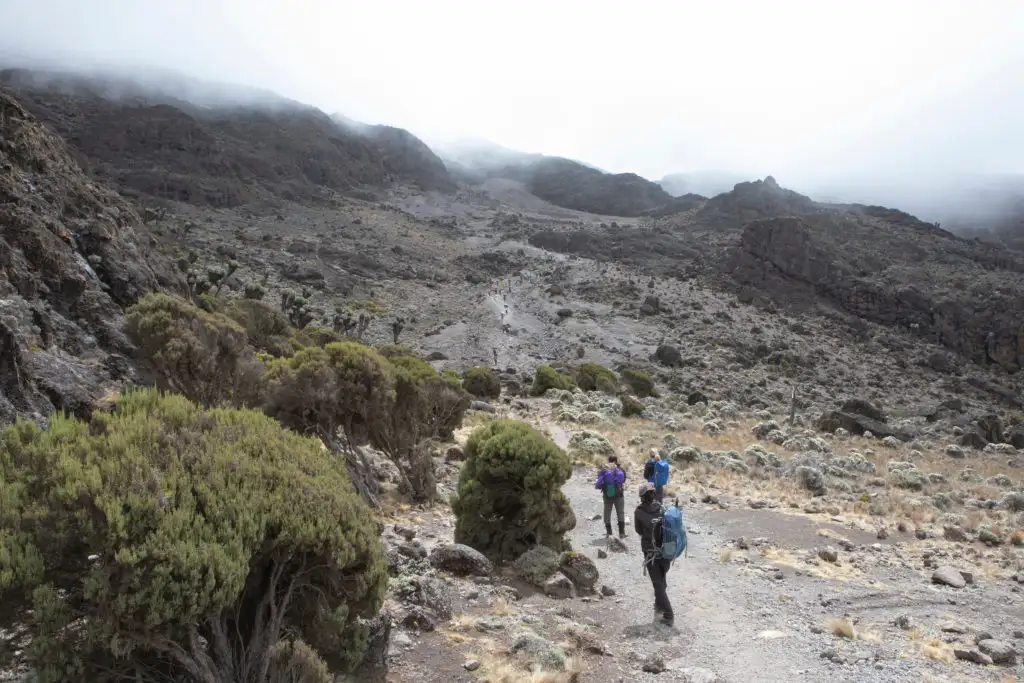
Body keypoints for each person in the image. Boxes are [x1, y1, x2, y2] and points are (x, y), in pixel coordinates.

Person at [634, 482, 673, 624]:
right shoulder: (662, 508)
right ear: (653, 494)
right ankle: (658, 605)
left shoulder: (638, 512)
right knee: (661, 580)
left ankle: (668, 615)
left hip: (650, 552)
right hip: (666, 550)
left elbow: (638, 530)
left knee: (657, 583)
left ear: (642, 497)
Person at [595, 455, 626, 538]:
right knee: (620, 512)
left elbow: (599, 479)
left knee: (607, 512)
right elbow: (623, 480)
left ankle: (609, 532)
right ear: (616, 461)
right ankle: (622, 533)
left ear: (609, 461)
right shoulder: (621, 469)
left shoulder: (604, 470)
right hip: (619, 494)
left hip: (607, 494)